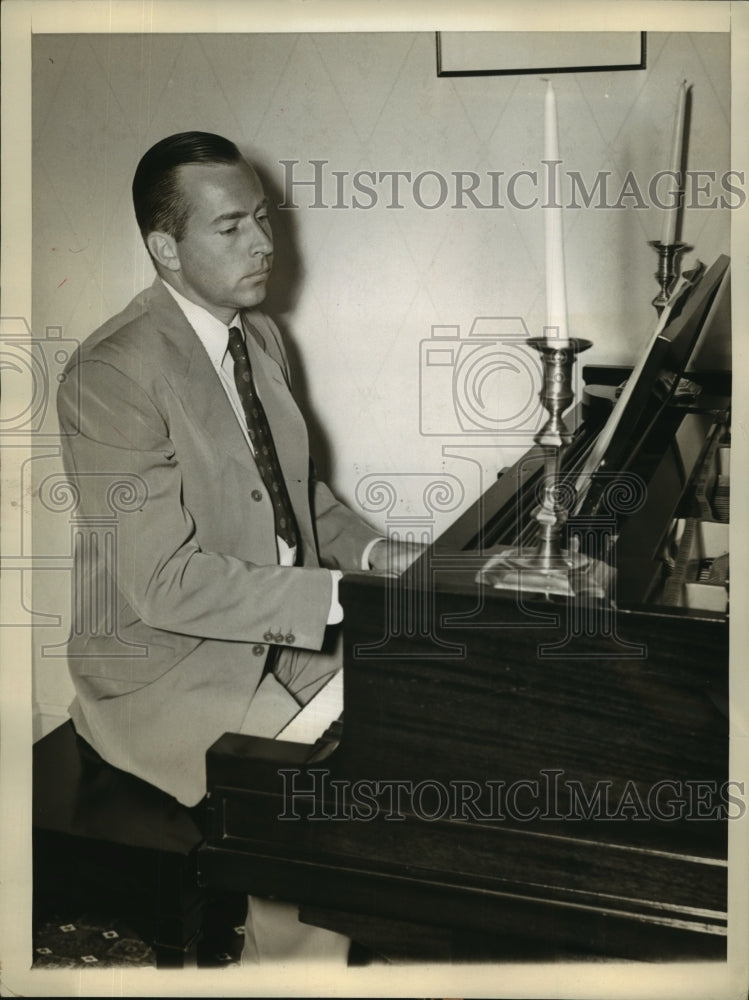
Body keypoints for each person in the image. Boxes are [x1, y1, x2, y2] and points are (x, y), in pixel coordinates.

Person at [56, 131, 418, 963]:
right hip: (165, 674)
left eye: (261, 217)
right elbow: (162, 583)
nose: (263, 243)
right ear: (165, 248)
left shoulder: (257, 337)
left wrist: (378, 556)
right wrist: (339, 597)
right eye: (230, 227)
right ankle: (283, 968)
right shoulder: (110, 374)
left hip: (277, 636)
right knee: (327, 817)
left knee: (421, 715)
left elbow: (298, 497)